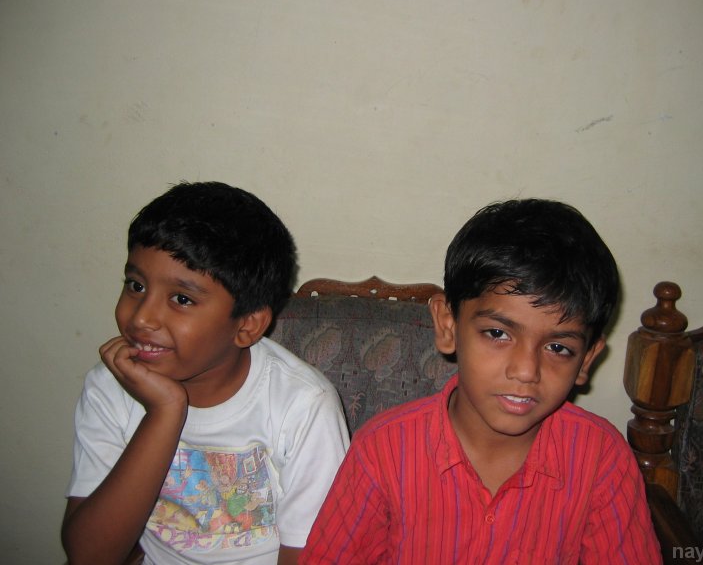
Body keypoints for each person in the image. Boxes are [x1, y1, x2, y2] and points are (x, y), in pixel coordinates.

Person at [300, 199, 662, 564]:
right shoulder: (383, 451)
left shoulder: (601, 459)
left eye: (558, 347)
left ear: (586, 360)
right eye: (497, 333)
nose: (526, 371)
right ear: (448, 326)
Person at [62, 181, 349, 565]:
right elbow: (89, 556)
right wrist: (164, 413)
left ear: (246, 325)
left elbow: (308, 555)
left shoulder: (302, 405)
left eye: (181, 299)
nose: (142, 317)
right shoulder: (111, 386)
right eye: (136, 285)